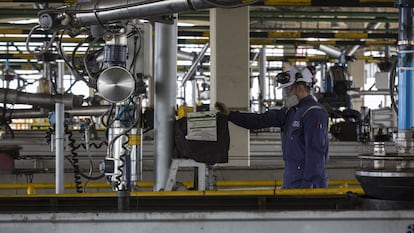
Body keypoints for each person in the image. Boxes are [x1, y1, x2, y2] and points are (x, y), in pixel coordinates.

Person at [215, 65, 329, 189]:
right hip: (292, 178)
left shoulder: (313, 113)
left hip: (307, 182)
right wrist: (230, 115)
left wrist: (309, 188)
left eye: (288, 90)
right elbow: (259, 120)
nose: (285, 94)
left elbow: (316, 154)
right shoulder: (289, 112)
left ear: (300, 87)